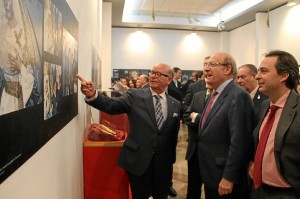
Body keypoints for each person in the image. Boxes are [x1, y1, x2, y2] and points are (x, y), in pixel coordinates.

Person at [77, 63, 181, 199]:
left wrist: (171, 161)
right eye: (152, 73)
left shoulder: (175, 104)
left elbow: (173, 136)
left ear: (169, 80)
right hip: (139, 161)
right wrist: (94, 95)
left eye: (159, 74)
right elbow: (111, 106)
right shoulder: (135, 95)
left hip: (163, 165)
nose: (153, 76)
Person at [198, 52, 255, 199]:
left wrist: (229, 177)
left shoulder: (238, 96)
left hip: (224, 178)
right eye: (205, 65)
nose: (206, 69)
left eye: (212, 64)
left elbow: (240, 142)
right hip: (211, 173)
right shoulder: (215, 94)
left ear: (227, 69)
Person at [248, 50, 300, 199]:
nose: (257, 76)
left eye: (264, 71)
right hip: (258, 189)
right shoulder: (266, 105)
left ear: (284, 75)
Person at [183, 83, 213, 199]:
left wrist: (196, 118)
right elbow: (186, 115)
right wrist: (197, 121)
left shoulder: (223, 98)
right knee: (192, 188)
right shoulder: (198, 96)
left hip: (212, 153)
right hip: (194, 150)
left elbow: (215, 122)